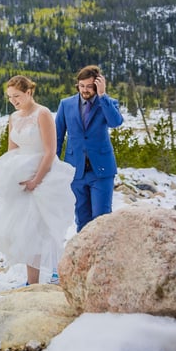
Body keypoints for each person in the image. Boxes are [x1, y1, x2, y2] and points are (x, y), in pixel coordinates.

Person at [0, 75, 75, 286]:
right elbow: (12, 150)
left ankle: (54, 273)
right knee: (24, 230)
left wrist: (36, 180)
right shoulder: (14, 118)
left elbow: (50, 150)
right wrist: (11, 175)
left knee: (42, 228)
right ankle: (31, 281)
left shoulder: (42, 114)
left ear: (29, 92)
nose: (13, 101)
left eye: (17, 96)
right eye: (9, 97)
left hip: (43, 176)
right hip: (22, 177)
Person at [54, 65, 124, 231]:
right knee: (82, 219)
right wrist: (54, 164)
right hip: (75, 170)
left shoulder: (108, 102)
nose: (84, 90)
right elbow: (57, 136)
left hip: (101, 170)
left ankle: (103, 256)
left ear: (98, 85)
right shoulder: (65, 104)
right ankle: (83, 256)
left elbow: (115, 122)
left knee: (102, 219)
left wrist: (102, 95)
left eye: (89, 86)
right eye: (81, 86)